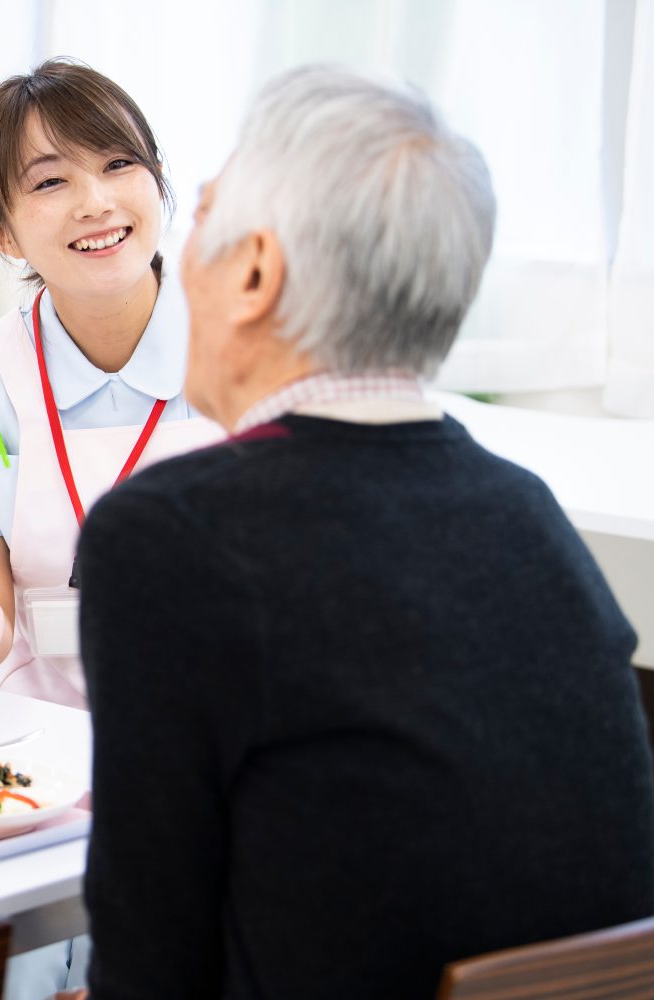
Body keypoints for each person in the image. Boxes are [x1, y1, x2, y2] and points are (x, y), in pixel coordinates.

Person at [76, 66, 654, 999]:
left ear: (255, 274)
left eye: (204, 215)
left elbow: (149, 958)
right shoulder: (526, 511)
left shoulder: (168, 534)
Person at [0, 59, 223, 710]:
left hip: (228, 722)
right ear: (1, 232)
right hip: (47, 729)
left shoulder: (246, 349)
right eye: (51, 181)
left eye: (118, 164)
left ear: (159, 180)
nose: (96, 203)